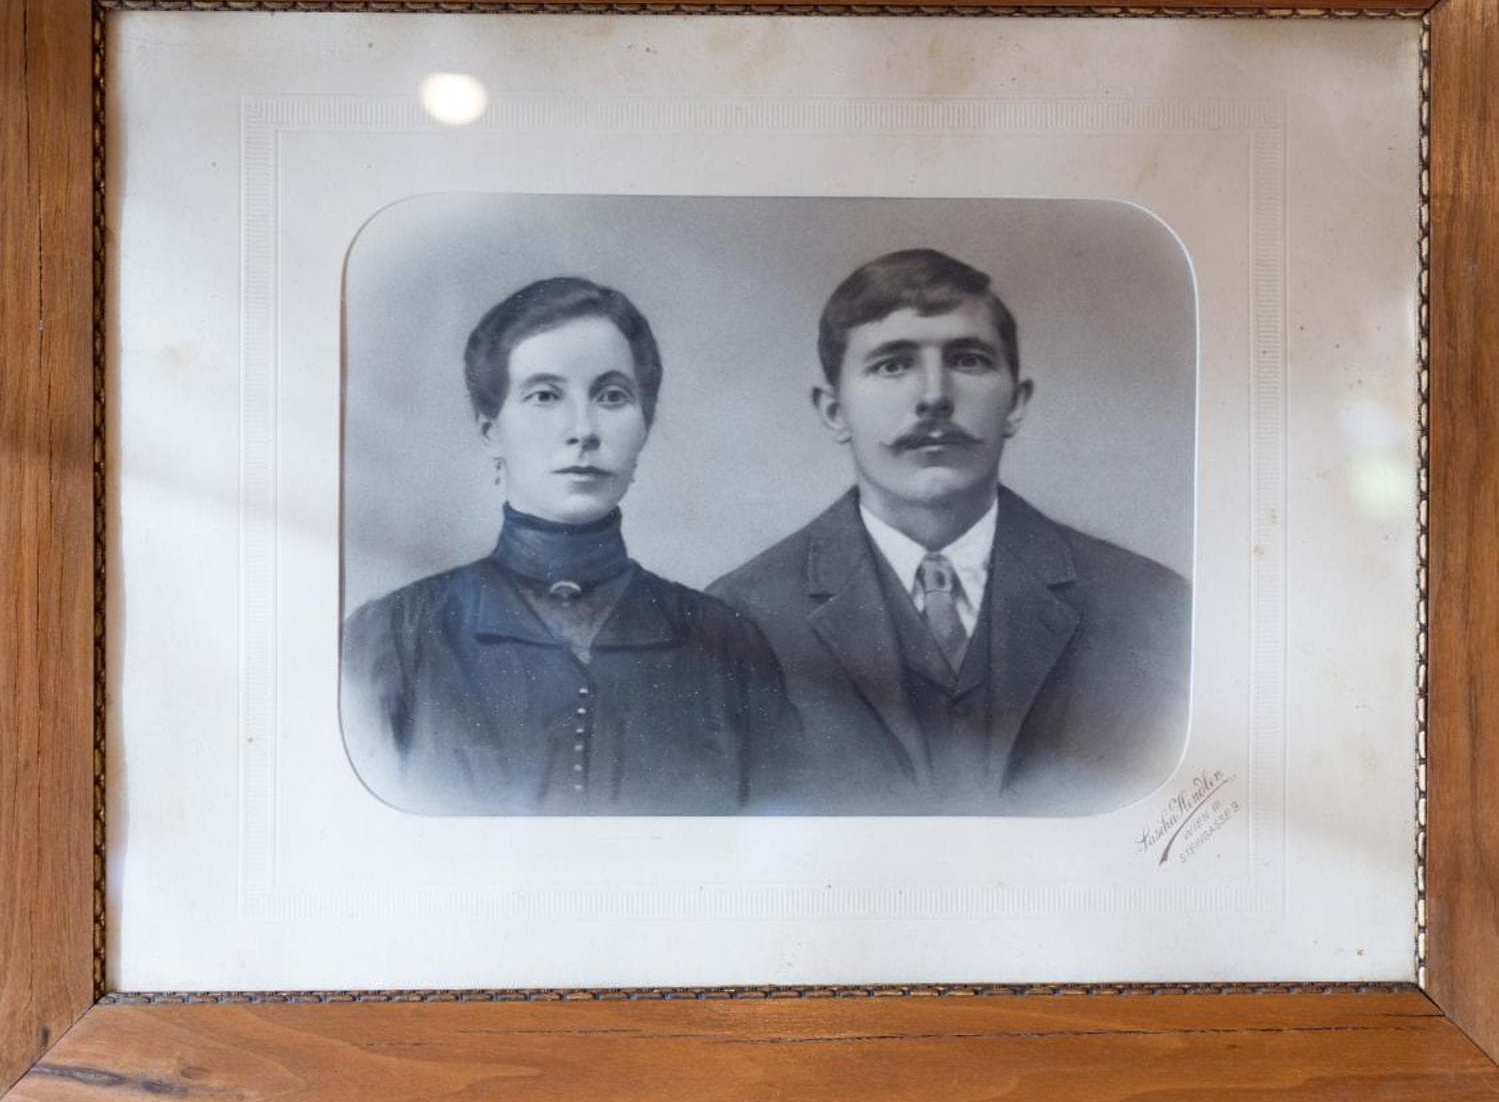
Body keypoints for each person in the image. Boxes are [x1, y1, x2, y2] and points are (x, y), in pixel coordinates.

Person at [710, 248, 1190, 815]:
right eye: (892, 365)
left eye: (968, 360)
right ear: (834, 412)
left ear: (1016, 404)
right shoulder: (740, 620)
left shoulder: (1151, 608)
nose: (934, 396)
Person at [342, 275, 796, 815]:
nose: (583, 429)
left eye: (612, 396)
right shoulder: (392, 641)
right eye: (544, 395)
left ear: (645, 424)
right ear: (490, 430)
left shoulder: (730, 648)